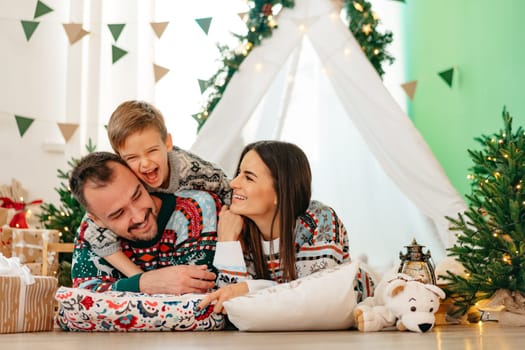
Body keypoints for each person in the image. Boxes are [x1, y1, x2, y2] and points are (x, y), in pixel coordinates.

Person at [198, 140, 375, 313]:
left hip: (364, 309)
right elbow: (230, 305)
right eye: (238, 173)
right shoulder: (237, 227)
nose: (233, 183)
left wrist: (250, 288)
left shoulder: (320, 220)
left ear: (280, 191)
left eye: (248, 177)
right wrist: (227, 243)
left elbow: (317, 295)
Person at [80, 100, 231, 279]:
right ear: (120, 159)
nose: (145, 163)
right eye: (132, 157)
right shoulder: (128, 179)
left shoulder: (195, 171)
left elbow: (227, 187)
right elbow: (94, 232)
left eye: (151, 151)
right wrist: (140, 278)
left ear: (167, 143)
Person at [69, 151, 221, 293]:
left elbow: (203, 299)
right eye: (119, 213)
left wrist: (122, 290)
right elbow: (83, 300)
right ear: (96, 219)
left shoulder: (196, 207)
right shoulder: (92, 232)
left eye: (137, 195)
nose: (139, 217)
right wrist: (143, 283)